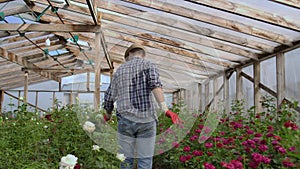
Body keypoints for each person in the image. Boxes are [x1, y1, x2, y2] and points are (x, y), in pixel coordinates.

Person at [103, 43, 181, 169]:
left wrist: (108, 114)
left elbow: (109, 96)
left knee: (125, 160)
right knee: (145, 160)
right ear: (143, 55)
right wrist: (165, 110)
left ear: (128, 55)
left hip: (125, 120)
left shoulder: (120, 71)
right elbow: (155, 86)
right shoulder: (149, 65)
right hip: (146, 120)